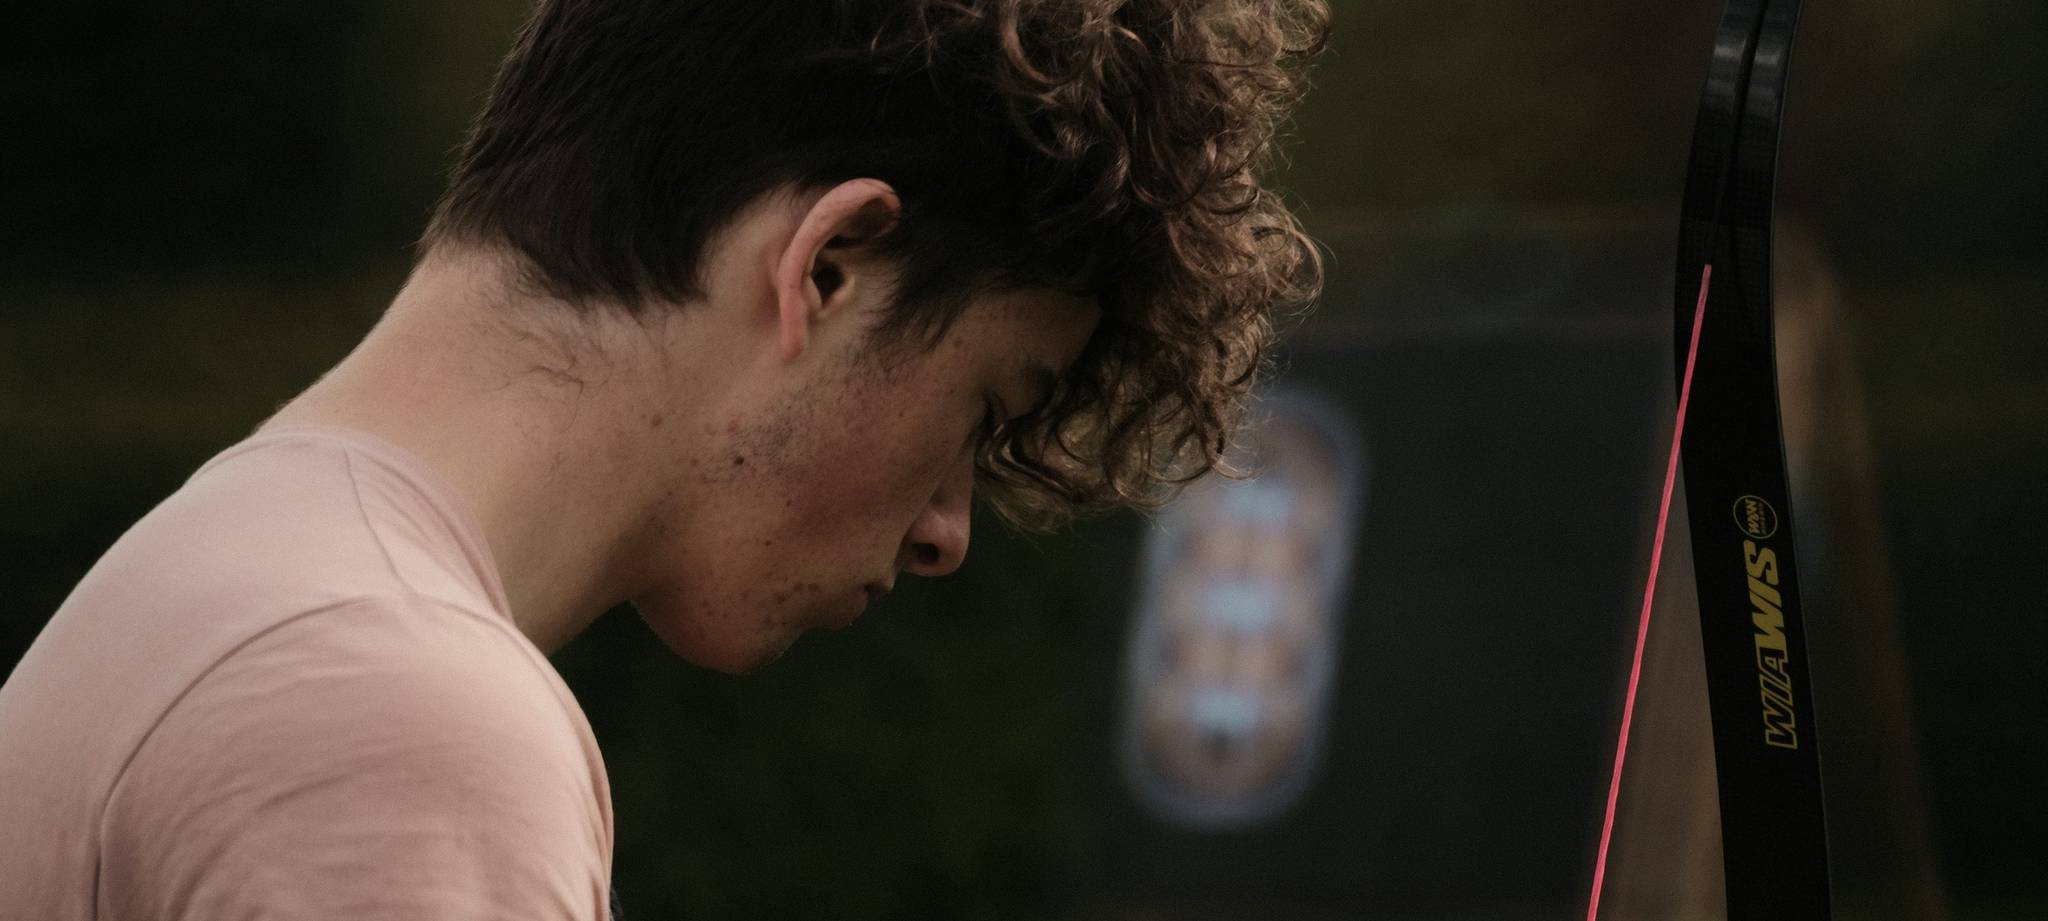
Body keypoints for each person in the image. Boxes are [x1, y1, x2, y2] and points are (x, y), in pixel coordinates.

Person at [0, 1, 1327, 918]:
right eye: (984, 410)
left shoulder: (238, 582)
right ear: (828, 266)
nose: (946, 528)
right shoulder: (391, 726)